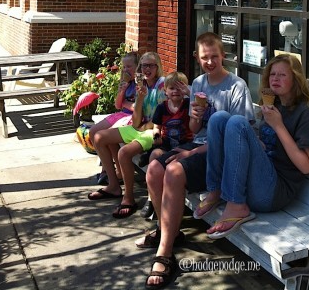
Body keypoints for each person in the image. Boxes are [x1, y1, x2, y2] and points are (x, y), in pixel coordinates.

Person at [137, 32, 255, 290]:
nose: (210, 62)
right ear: (197, 58)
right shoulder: (199, 83)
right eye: (205, 58)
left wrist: (189, 153)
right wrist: (196, 116)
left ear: (224, 56)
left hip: (220, 155)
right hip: (198, 144)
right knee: (154, 168)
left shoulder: (237, 87)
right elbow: (194, 128)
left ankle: (165, 253)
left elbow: (238, 138)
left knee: (175, 171)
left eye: (215, 56)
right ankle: (167, 229)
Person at [195, 53, 309, 240]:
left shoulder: (306, 114)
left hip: (273, 193)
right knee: (219, 118)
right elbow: (268, 148)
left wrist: (278, 125)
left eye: (282, 75)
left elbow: (306, 165)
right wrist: (254, 142)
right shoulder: (273, 105)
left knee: (238, 122)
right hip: (256, 179)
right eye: (272, 74)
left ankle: (237, 206)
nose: (275, 79)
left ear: (296, 79)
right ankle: (215, 190)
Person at [87, 52, 165, 220]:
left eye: (151, 65)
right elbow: (136, 122)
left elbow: (163, 117)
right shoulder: (142, 85)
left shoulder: (161, 85)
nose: (147, 69)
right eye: (144, 66)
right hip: (140, 127)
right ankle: (114, 185)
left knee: (123, 152)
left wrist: (145, 125)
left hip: (155, 130)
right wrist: (141, 98)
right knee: (99, 137)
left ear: (158, 67)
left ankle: (128, 198)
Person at [140, 71, 193, 220]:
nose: (175, 91)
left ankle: (166, 201)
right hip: (166, 142)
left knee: (172, 164)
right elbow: (157, 127)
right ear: (166, 91)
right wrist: (156, 136)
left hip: (184, 144)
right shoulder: (162, 108)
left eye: (179, 88)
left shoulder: (188, 105)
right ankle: (151, 198)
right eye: (172, 88)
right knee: (154, 155)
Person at [88, 51, 139, 184]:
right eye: (124, 67)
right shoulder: (125, 82)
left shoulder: (140, 84)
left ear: (137, 67)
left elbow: (138, 108)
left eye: (129, 66)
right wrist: (122, 89)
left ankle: (118, 172)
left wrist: (125, 103)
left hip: (133, 117)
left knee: (108, 136)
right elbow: (117, 105)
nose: (126, 70)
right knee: (93, 131)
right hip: (121, 114)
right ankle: (107, 169)